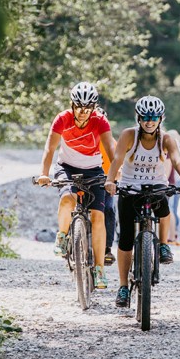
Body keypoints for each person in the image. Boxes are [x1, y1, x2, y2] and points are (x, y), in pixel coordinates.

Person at [105, 96, 180, 307]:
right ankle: (123, 287)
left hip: (156, 185)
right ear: (138, 118)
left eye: (153, 117)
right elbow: (117, 159)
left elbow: (177, 160)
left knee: (164, 209)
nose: (149, 121)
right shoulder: (129, 135)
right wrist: (110, 181)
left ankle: (163, 245)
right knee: (126, 238)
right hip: (130, 187)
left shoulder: (166, 139)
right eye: (145, 117)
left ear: (160, 118)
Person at [37, 82, 115, 289]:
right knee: (67, 198)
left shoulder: (100, 121)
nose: (83, 111)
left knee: (99, 215)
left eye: (88, 107)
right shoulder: (62, 119)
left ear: (94, 107)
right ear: (72, 104)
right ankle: (62, 235)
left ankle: (99, 270)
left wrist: (115, 177)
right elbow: (50, 148)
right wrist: (44, 174)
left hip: (94, 169)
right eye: (79, 106)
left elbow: (112, 150)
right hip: (67, 167)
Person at [97, 107, 118, 266]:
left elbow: (119, 166)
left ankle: (107, 247)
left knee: (109, 209)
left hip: (106, 183)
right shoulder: (83, 140)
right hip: (87, 181)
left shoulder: (113, 143)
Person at [164, 129, 180, 244]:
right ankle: (174, 233)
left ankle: (172, 235)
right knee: (174, 208)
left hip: (173, 181)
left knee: (170, 208)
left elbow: (172, 166)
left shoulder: (172, 149)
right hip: (178, 181)